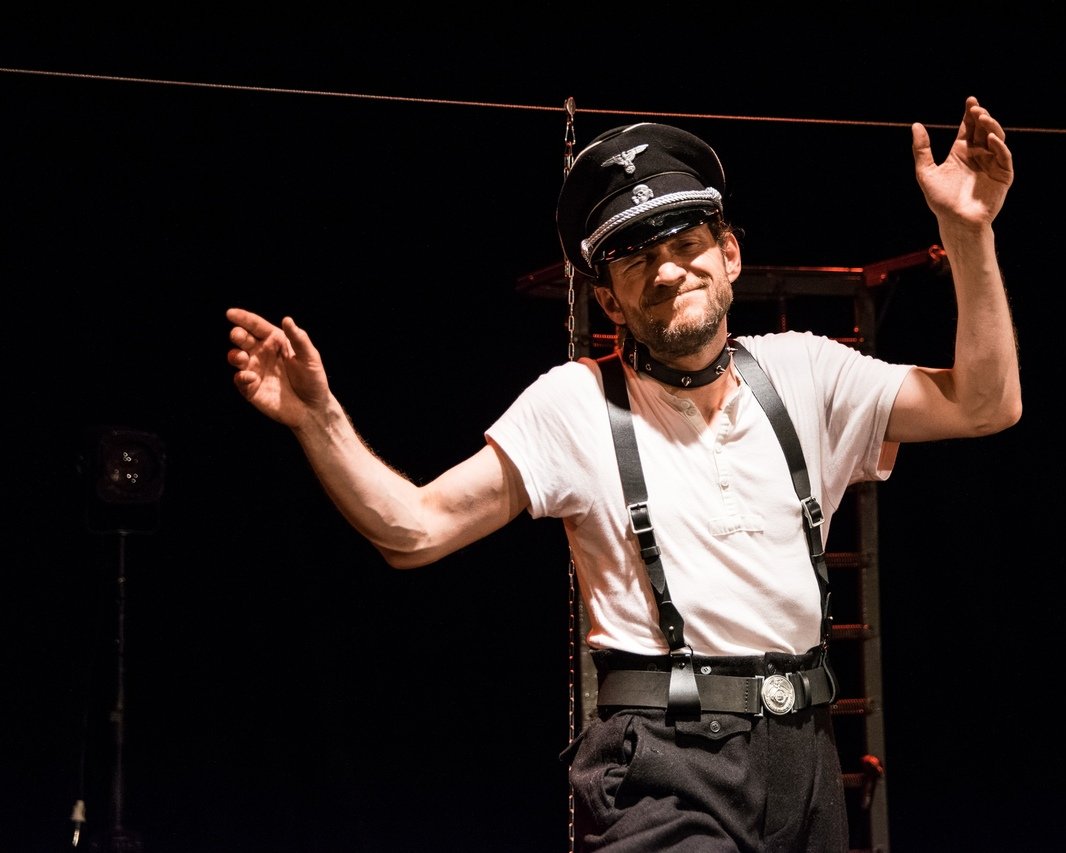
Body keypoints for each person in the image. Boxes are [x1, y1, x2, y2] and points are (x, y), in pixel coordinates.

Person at [225, 95, 1019, 852]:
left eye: (685, 244)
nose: (667, 271)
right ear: (608, 299)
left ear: (729, 254)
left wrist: (967, 231)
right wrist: (320, 420)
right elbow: (416, 530)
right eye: (636, 259)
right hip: (664, 764)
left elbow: (986, 404)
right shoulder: (575, 403)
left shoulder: (808, 371)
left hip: (806, 754)